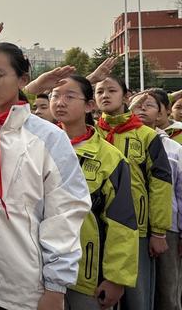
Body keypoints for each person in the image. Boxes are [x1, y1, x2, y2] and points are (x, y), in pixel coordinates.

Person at [0, 32, 91, 310]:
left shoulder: (48, 137)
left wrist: (56, 286)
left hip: (20, 287)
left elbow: (66, 213)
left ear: (23, 80)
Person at [49, 75, 138, 310]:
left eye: (70, 97)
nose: (60, 102)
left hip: (87, 275)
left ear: (89, 106)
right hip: (39, 269)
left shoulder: (110, 157)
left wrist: (116, 278)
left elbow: (122, 221)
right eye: (55, 96)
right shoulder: (37, 146)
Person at [95, 75, 172, 310]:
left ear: (126, 97)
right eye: (99, 91)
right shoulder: (91, 133)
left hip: (137, 228)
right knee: (99, 296)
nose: (105, 96)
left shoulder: (146, 135)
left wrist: (158, 231)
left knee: (137, 298)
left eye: (112, 90)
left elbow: (160, 183)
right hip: (98, 227)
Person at [131, 88, 182, 310]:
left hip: (168, 228)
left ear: (161, 113)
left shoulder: (173, 149)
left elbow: (180, 193)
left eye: (149, 105)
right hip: (132, 226)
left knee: (167, 289)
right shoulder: (116, 142)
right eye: (137, 105)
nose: (142, 109)